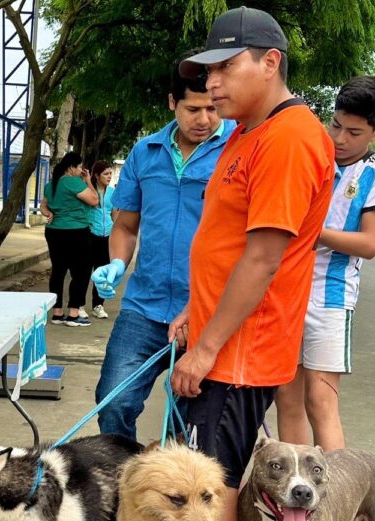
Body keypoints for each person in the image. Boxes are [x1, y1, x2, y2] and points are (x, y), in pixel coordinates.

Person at [140, 7, 335, 521]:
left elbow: (262, 257)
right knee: (219, 483)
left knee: (209, 494)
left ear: (270, 61)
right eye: (207, 71)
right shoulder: (252, 133)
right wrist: (198, 314)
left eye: (227, 66)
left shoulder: (288, 138)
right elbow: (227, 247)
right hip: (226, 339)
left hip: (239, 355)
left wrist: (206, 347)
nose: (213, 82)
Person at [91, 53, 235, 440]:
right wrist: (118, 263)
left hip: (206, 310)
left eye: (211, 108)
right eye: (192, 109)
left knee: (187, 423)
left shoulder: (238, 149)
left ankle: (173, 491)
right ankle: (129, 484)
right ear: (173, 103)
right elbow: (125, 224)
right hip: (144, 306)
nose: (204, 120)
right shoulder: (145, 152)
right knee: (113, 401)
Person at [275, 76, 375, 450]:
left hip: (330, 299)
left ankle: (338, 503)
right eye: (336, 126)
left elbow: (370, 243)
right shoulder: (312, 154)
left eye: (355, 132)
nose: (340, 139)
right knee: (286, 398)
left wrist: (311, 232)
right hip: (285, 291)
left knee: (321, 401)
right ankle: (293, 497)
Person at [40, 152, 99, 326]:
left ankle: (57, 313)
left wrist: (48, 213)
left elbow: (43, 205)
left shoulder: (52, 184)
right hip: (77, 232)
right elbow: (95, 200)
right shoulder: (74, 182)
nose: (82, 171)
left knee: (58, 271)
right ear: (72, 167)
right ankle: (73, 313)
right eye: (80, 167)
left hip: (54, 232)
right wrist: (88, 181)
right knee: (81, 272)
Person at [87, 161, 116, 319]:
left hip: (107, 236)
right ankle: (77, 305)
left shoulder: (112, 192)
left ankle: (98, 305)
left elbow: (114, 214)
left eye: (110, 173)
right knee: (85, 272)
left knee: (102, 273)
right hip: (91, 234)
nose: (109, 177)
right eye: (106, 174)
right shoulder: (90, 191)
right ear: (96, 176)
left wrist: (116, 233)